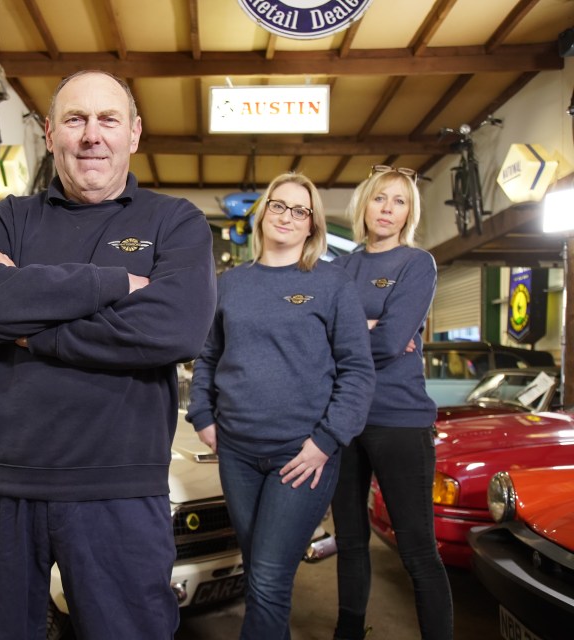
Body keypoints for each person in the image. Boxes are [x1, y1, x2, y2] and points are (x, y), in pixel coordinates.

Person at [0, 70, 217, 639]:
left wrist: (28, 326)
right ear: (50, 132)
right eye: (75, 119)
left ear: (134, 134)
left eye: (107, 119)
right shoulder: (7, 218)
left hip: (117, 488)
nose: (92, 135)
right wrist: (116, 283)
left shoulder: (176, 222)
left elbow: (177, 327)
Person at [186, 172, 376, 640]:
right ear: (262, 212)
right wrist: (204, 416)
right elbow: (208, 357)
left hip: (302, 456)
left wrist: (325, 442)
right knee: (259, 574)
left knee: (268, 579)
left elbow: (357, 370)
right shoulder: (229, 284)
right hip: (237, 454)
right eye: (279, 205)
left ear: (312, 226)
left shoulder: (331, 284)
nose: (287, 216)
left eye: (300, 210)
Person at [330, 166, 453, 640]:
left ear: (408, 213)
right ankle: (349, 630)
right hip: (344, 419)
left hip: (399, 420)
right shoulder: (339, 268)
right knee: (351, 541)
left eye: (399, 201)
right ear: (364, 205)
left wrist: (366, 332)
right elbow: (321, 338)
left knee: (418, 549)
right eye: (380, 198)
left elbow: (391, 342)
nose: (387, 208)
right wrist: (374, 328)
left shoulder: (416, 263)